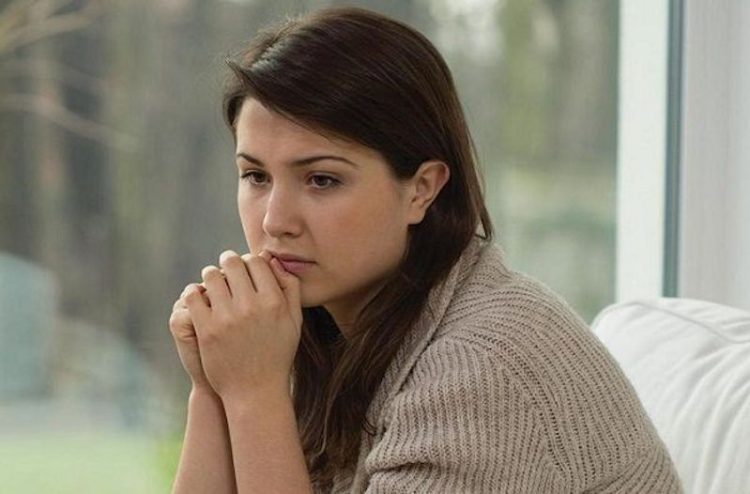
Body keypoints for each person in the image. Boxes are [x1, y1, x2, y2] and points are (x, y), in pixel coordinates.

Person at [168, 7, 683, 493]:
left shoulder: (480, 369)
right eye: (255, 176)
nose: (275, 221)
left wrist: (254, 393)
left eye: (322, 180)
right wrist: (214, 385)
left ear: (422, 189)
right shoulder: (319, 325)